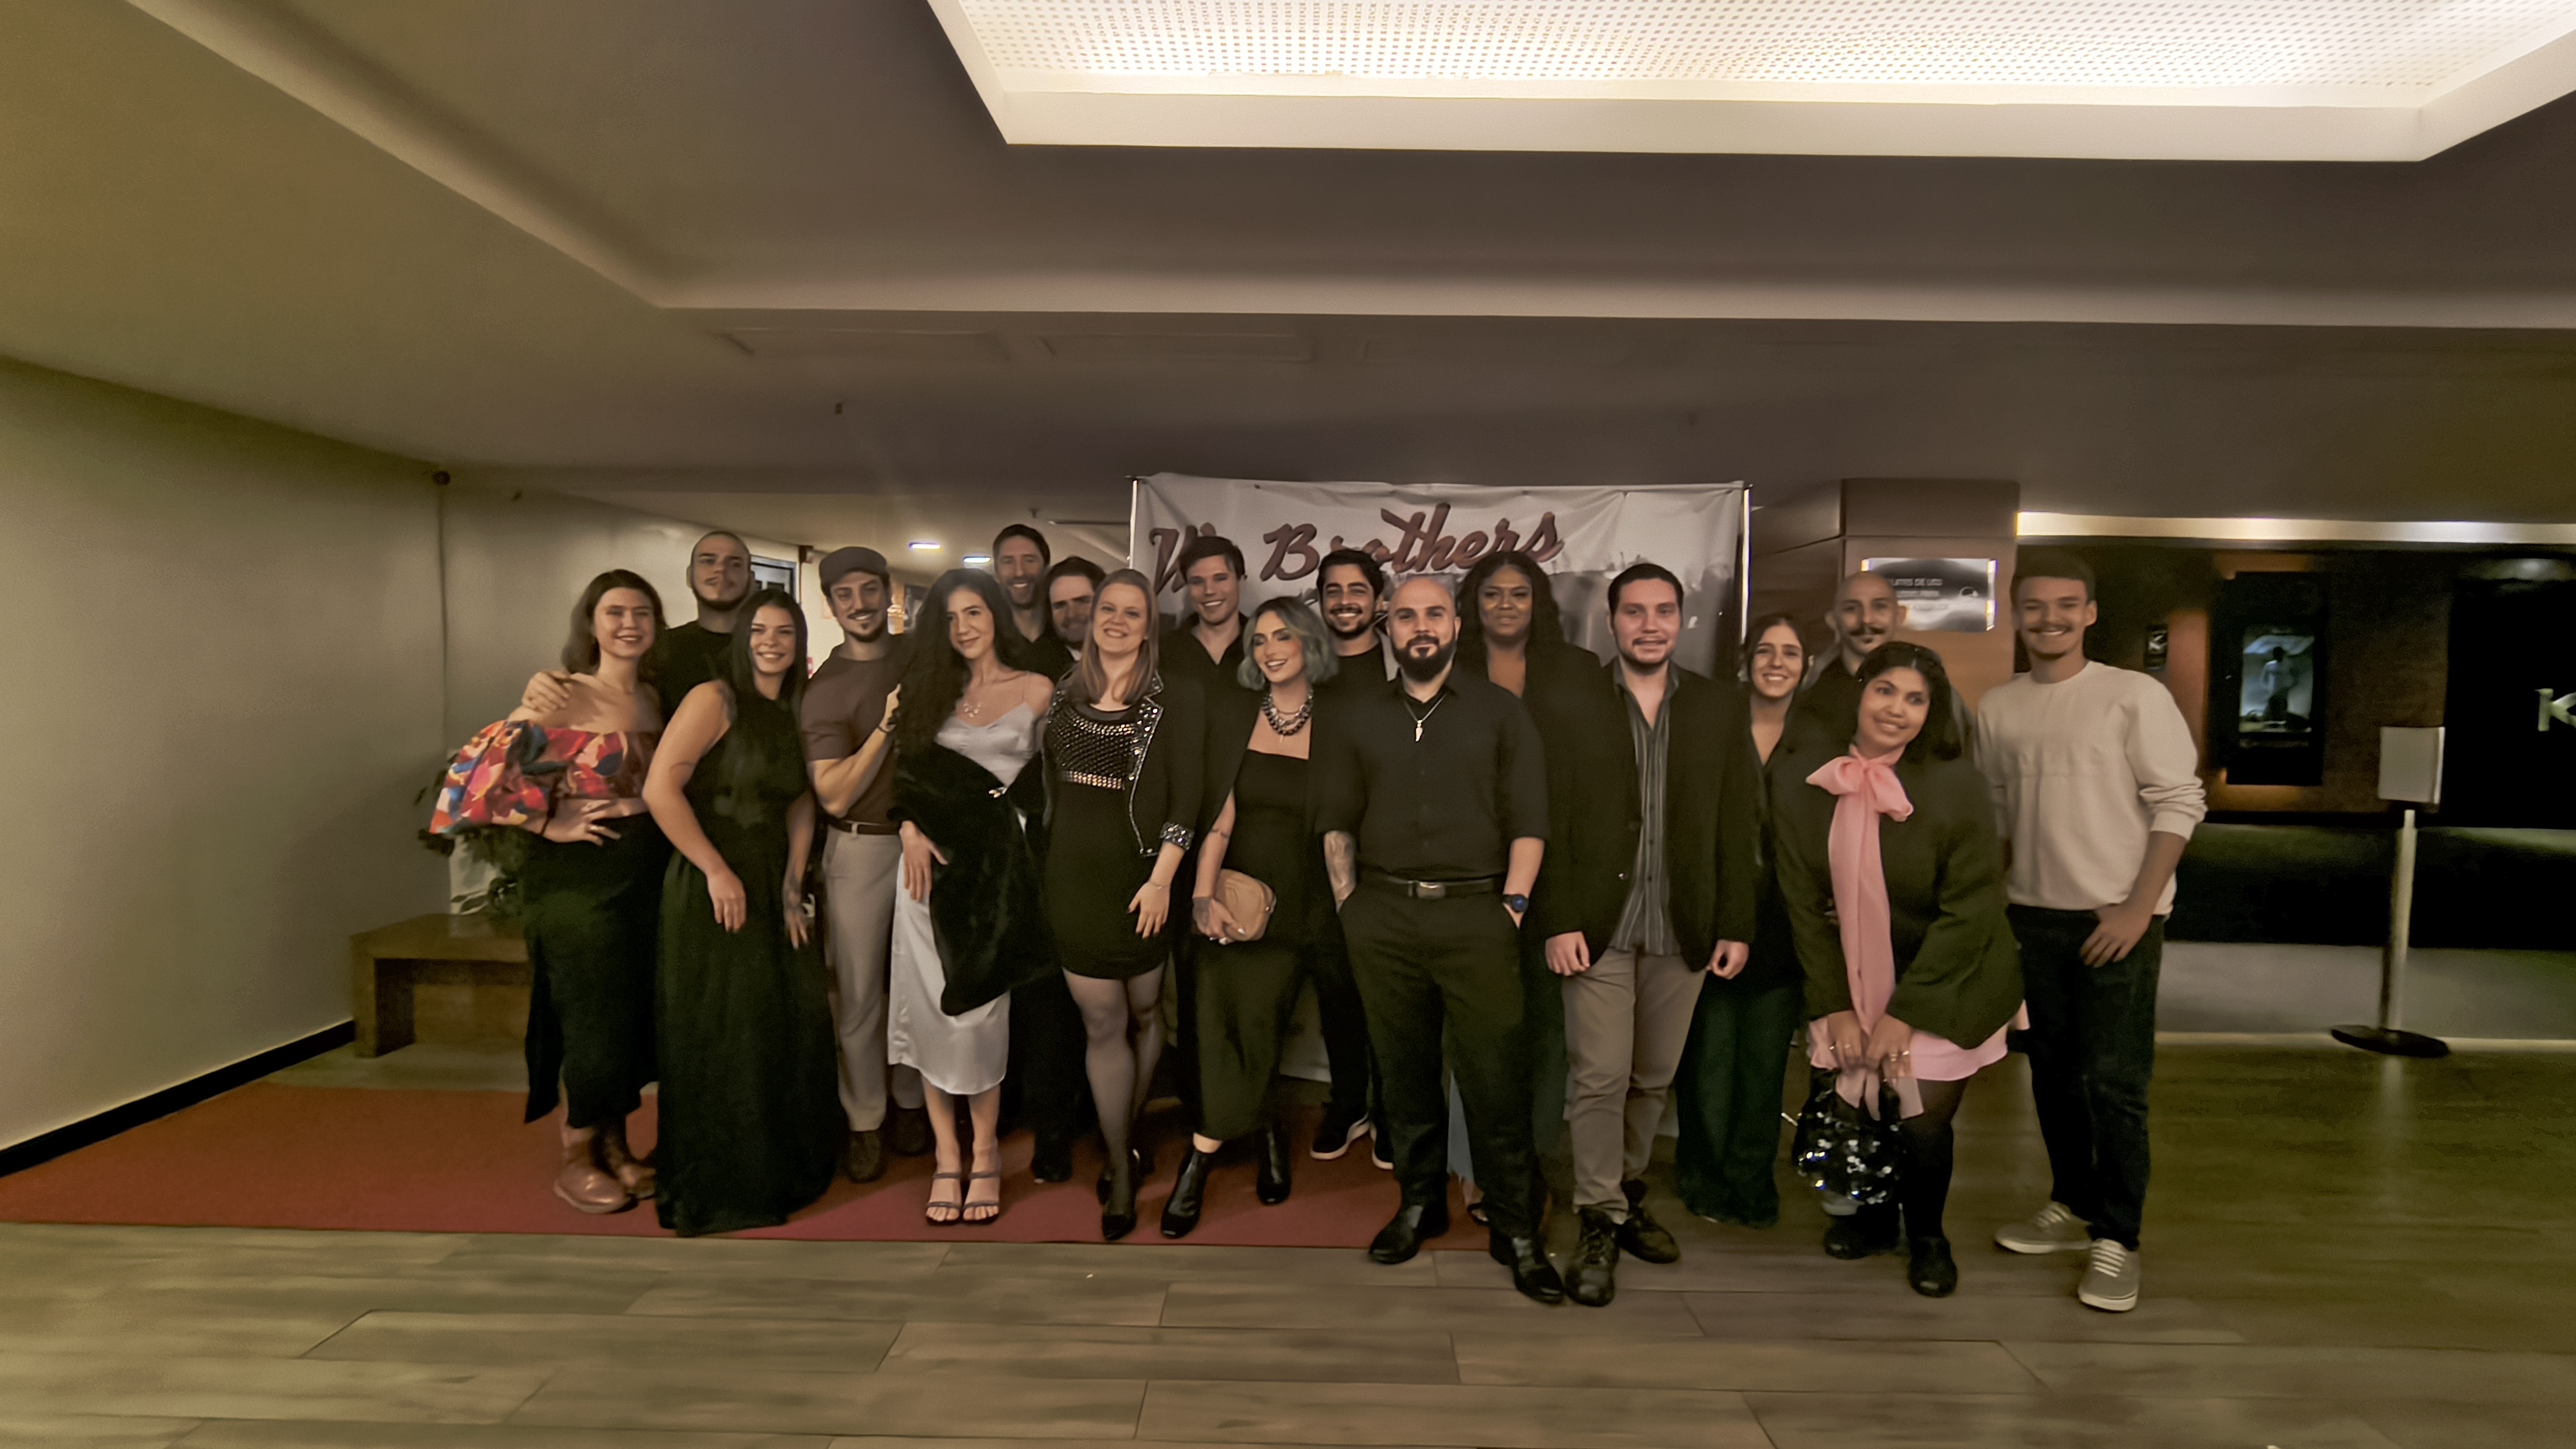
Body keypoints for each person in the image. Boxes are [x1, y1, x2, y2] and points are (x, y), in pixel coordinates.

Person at [1320, 577, 1564, 1304]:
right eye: (1405, 616)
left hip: (1478, 917)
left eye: (1433, 614)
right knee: (1404, 1078)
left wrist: (1511, 908)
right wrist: (1351, 909)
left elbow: (1530, 819)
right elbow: (1335, 820)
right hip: (1383, 919)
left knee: (1495, 1080)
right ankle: (1419, 1205)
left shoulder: (1499, 712)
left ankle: (1516, 1229)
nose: (1419, 627)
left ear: (1455, 625)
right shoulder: (1357, 717)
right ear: (1387, 627)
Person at [1979, 551, 2206, 1314]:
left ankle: (2117, 1237)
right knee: (2052, 1075)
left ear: (2089, 613)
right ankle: (2071, 1203)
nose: (2049, 619)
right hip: (2031, 917)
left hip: (2117, 919)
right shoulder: (1998, 707)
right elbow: (2000, 814)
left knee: (2115, 1083)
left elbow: (2178, 801)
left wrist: (2137, 908)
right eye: (2034, 606)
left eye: (2064, 605)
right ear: (2016, 616)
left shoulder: (2131, 695)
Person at [1772, 642, 2024, 1297]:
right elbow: (1801, 905)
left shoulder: (1956, 785)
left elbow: (1971, 912)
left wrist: (1904, 1014)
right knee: (1860, 1102)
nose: (1897, 709)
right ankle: (1876, 1220)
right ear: (1857, 693)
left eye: (1916, 699)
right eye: (1885, 690)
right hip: (1852, 969)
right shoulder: (1802, 780)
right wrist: (1834, 1006)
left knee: (1920, 1118)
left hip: (1947, 974)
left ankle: (1929, 1237)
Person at [1536, 564, 1759, 1307]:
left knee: (1651, 1078)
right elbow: (1547, 819)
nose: (1649, 625)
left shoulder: (1719, 708)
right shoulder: (1568, 705)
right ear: (1611, 622)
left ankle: (1625, 1190)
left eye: (1663, 611)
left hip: (1682, 921)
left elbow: (1737, 820)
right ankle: (1597, 1215)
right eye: (1633, 612)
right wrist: (1556, 918)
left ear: (1681, 619)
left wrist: (1735, 923)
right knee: (1599, 1075)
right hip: (1596, 926)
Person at [642, 588, 842, 1237]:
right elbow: (660, 789)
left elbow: (800, 801)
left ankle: (779, 1166)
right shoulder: (714, 699)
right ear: (741, 638)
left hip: (770, 879)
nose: (770, 643)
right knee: (726, 1031)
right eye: (759, 630)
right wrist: (715, 870)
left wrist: (792, 886)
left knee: (782, 1023)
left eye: (784, 632)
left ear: (799, 642)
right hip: (712, 881)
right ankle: (725, 1180)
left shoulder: (794, 708)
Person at [469, 571, 669, 1216]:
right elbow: (478, 779)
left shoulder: (653, 698)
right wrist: (547, 824)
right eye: (615, 612)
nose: (629, 624)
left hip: (644, 874)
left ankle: (616, 1145)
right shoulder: (562, 695)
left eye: (642, 612)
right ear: (591, 623)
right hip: (580, 879)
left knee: (627, 1015)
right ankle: (575, 1152)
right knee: (588, 1016)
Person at [1165, 599, 1349, 1236]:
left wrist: (1348, 908)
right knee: (1214, 1019)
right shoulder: (1235, 711)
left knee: (1262, 1023)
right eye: (1260, 639)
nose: (1269, 649)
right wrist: (1201, 896)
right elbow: (1219, 815)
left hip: (1300, 901)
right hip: (1231, 891)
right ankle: (1243, 1135)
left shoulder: (1338, 720)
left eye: (1282, 636)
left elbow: (1339, 829)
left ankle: (1206, 1154)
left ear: (1309, 644)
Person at [886, 570, 1055, 1225]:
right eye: (950, 618)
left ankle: (985, 1152)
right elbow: (904, 780)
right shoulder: (926, 693)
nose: (963, 628)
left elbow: (1045, 792)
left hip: (993, 880)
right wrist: (907, 828)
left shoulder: (1038, 689)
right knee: (933, 1018)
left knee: (980, 1018)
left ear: (995, 616)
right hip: (924, 879)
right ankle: (946, 1157)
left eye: (974, 613)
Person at [1042, 569, 1203, 1240]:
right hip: (1072, 882)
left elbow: (1187, 800)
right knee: (1104, 1023)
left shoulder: (1174, 699)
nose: (1116, 620)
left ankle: (1126, 1134)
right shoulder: (1062, 692)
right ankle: (1121, 1166)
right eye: (1108, 608)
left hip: (1143, 883)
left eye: (1132, 612)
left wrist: (1162, 881)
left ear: (1148, 627)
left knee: (1144, 1011)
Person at [1455, 549, 1609, 1224]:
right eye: (1492, 594)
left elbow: (1593, 783)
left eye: (1519, 593)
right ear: (1474, 603)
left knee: (1546, 1033)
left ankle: (1534, 1164)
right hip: (1468, 876)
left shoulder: (1576, 670)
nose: (1505, 605)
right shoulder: (1449, 667)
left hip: (1555, 877)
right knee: (1475, 1031)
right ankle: (1475, 1165)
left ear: (1538, 602)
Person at [1674, 612, 1812, 1232]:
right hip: (1710, 917)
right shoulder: (1710, 729)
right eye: (1765, 650)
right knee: (1707, 1062)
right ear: (1744, 661)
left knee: (1763, 1068)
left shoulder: (1819, 742)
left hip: (1785, 928)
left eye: (1790, 652)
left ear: (1805, 667)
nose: (1776, 662)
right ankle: (1702, 1175)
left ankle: (1751, 1181)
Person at [800, 546, 928, 1185]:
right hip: (859, 848)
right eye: (844, 595)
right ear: (831, 605)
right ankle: (865, 1120)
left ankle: (912, 1103)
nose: (859, 604)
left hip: (927, 843)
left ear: (889, 594)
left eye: (869, 590)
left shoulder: (920, 655)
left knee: (920, 985)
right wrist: (886, 726)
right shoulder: (825, 688)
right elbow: (833, 796)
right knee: (857, 994)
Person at [1010, 552, 1108, 1181]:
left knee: (1108, 999)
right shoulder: (1025, 670)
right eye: (1061, 604)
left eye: (1083, 601)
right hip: (1046, 855)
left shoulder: (1137, 668)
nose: (1073, 613)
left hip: (1118, 858)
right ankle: (1050, 1129)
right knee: (1048, 1000)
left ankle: (1108, 1119)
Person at [516, 530, 751, 723]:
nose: (721, 570)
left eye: (735, 563)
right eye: (708, 561)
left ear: (751, 579)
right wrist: (543, 684)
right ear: (690, 576)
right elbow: (603, 681)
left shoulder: (768, 649)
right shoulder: (661, 650)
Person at [1785, 570, 1902, 753]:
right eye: (1851, 609)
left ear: (1900, 616)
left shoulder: (1926, 690)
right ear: (1833, 620)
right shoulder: (1810, 697)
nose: (1866, 619)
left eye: (1880, 607)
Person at [1160, 534, 1248, 686]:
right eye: (1197, 582)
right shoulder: (1163, 652)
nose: (1209, 591)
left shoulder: (1264, 646)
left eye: (1220, 579)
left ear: (1241, 582)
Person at [1313, 547, 1394, 702]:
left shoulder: (1405, 665)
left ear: (1378, 602)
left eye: (1357, 591)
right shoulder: (1297, 667)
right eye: (1333, 592)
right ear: (1321, 599)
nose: (1344, 601)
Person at [992, 524, 1056, 671]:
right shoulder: (986, 642)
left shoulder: (1066, 632)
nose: (1019, 572)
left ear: (1046, 568)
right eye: (1008, 562)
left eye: (1030, 560)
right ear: (996, 572)